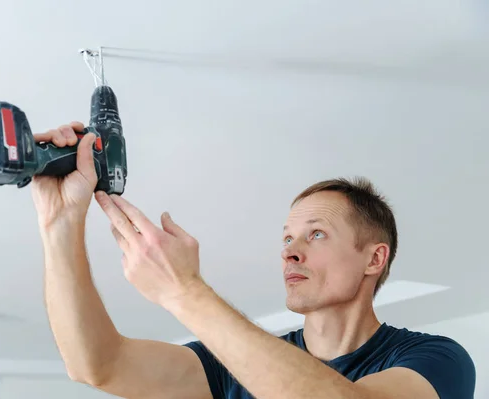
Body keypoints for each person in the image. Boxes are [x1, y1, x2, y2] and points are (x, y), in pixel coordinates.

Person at [32, 123, 476, 399]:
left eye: (316, 234)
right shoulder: (231, 366)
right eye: (287, 237)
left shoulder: (436, 359)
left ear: (374, 258)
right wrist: (59, 222)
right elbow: (97, 365)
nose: (289, 251)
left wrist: (185, 292)